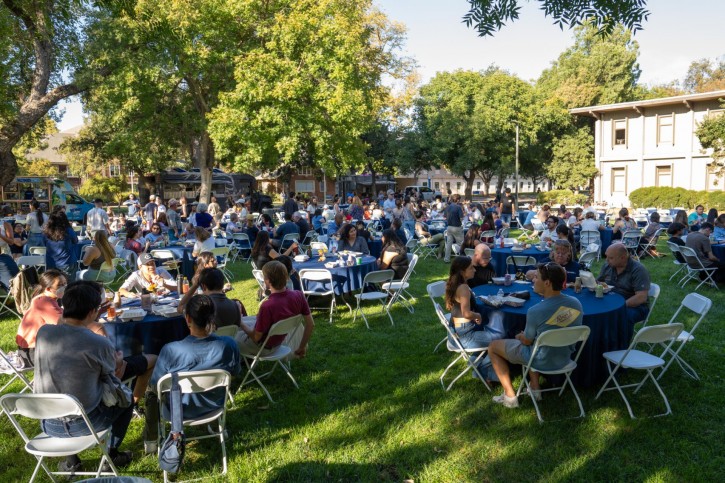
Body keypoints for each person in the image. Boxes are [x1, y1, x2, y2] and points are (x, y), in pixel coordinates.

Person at [34, 281, 134, 472]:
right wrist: (119, 360)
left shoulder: (43, 332)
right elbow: (112, 372)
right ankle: (111, 455)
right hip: (86, 424)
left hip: (48, 424)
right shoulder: (97, 342)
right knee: (126, 400)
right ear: (93, 312)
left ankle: (73, 462)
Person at [142, 294, 241, 454]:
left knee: (150, 393)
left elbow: (155, 386)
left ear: (187, 318)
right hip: (214, 405)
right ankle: (217, 425)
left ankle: (151, 440)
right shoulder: (228, 344)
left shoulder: (170, 350)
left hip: (178, 410)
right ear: (212, 317)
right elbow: (235, 373)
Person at [487, 263, 583, 408]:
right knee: (539, 342)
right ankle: (535, 388)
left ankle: (510, 396)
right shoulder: (576, 303)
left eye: (536, 277)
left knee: (493, 347)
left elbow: (526, 341)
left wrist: (520, 336)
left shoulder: (535, 311)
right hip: (565, 357)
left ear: (547, 283)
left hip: (541, 360)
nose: (533, 280)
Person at [235, 260, 315, 358]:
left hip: (261, 348)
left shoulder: (267, 306)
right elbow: (310, 324)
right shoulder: (298, 295)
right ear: (286, 277)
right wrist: (302, 347)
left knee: (228, 336)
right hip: (279, 343)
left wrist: (239, 320)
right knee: (247, 322)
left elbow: (256, 337)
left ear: (267, 281)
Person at [445, 256, 504, 373]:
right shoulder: (463, 288)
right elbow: (466, 313)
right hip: (465, 336)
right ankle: (482, 370)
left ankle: (473, 360)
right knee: (502, 338)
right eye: (471, 268)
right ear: (462, 271)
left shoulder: (454, 283)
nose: (475, 270)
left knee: (491, 330)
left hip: (455, 333)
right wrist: (477, 315)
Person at [15, 270, 66, 365]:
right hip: (32, 353)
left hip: (34, 348)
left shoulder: (46, 298)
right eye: (59, 285)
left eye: (65, 283)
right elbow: (65, 324)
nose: (64, 287)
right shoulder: (44, 301)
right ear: (48, 289)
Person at [597, 243, 651, 325]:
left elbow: (641, 297)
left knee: (618, 316)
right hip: (611, 300)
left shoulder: (638, 270)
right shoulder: (608, 265)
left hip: (634, 306)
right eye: (606, 256)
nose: (607, 260)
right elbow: (598, 282)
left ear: (623, 258)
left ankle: (620, 337)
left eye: (611, 258)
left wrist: (619, 306)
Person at [178, 268, 244, 328]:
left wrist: (195, 285)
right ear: (222, 284)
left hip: (203, 341)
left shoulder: (199, 306)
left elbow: (180, 307)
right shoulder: (235, 306)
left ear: (203, 286)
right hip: (228, 340)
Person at [42, 210, 79, 279]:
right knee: (69, 287)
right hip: (67, 262)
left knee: (53, 286)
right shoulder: (68, 230)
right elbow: (75, 241)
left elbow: (44, 244)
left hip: (51, 262)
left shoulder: (46, 231)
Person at [443, 194, 464, 263]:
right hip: (457, 227)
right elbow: (461, 218)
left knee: (449, 244)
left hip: (449, 227)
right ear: (457, 200)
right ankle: (462, 258)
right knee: (461, 243)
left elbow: (445, 217)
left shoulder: (447, 207)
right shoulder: (458, 207)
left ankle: (446, 259)